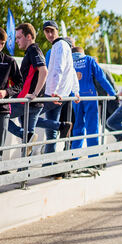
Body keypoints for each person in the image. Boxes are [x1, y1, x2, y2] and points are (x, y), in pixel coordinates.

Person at [7, 23, 72, 154]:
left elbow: (44, 71)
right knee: (28, 143)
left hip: (26, 100)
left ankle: (26, 135)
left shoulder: (33, 50)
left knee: (2, 115)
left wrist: (35, 93)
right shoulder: (35, 50)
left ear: (29, 36)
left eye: (19, 37)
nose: (16, 41)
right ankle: (60, 126)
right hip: (33, 102)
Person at [39, 20, 80, 154]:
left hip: (54, 95)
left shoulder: (60, 45)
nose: (50, 34)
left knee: (26, 117)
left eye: (52, 31)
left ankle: (61, 126)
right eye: (47, 31)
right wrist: (75, 91)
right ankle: (49, 165)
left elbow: (59, 69)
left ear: (57, 31)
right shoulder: (61, 46)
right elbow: (72, 70)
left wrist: (54, 92)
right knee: (50, 133)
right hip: (59, 94)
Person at [71, 47, 116, 151]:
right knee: (92, 127)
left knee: (78, 126)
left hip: (75, 97)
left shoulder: (69, 61)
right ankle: (93, 155)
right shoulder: (89, 60)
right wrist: (112, 93)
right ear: (82, 53)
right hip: (90, 96)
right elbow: (101, 77)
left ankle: (74, 155)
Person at [0, 26, 23, 161]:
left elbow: (20, 84)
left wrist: (6, 92)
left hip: (2, 110)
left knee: (0, 147)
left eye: (3, 43)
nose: (1, 45)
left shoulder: (9, 61)